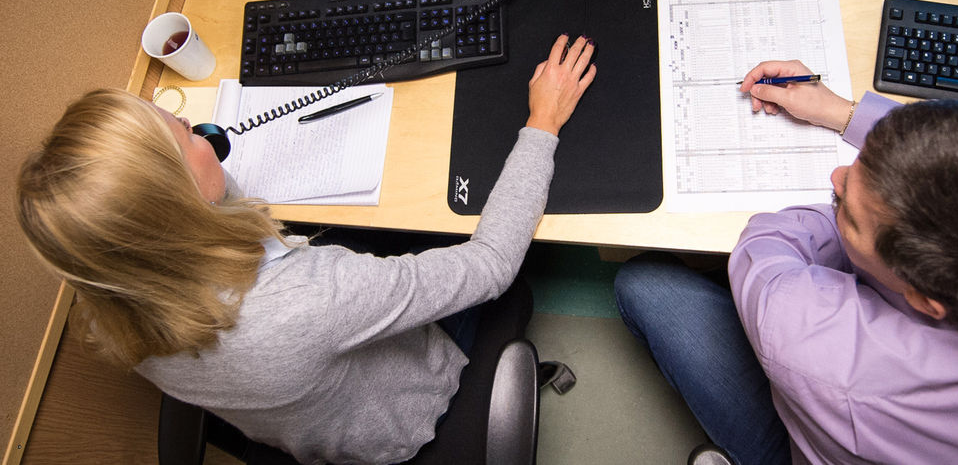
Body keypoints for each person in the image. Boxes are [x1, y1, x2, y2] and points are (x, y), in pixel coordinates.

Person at [17, 35, 597, 465]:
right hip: (408, 419)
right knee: (508, 277)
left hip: (309, 424)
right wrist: (543, 121)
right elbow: (490, 265)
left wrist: (198, 167)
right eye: (187, 135)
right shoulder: (311, 301)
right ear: (177, 208)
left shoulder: (112, 300)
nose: (196, 126)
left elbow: (224, 219)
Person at [616, 59, 958, 465]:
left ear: (925, 299)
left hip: (846, 418)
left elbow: (767, 247)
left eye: (848, 206)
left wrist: (852, 207)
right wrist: (843, 113)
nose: (837, 177)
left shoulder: (824, 350)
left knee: (645, 284)